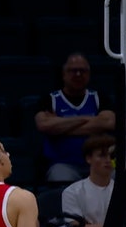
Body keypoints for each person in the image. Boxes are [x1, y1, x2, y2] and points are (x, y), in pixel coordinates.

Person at [36, 53, 116, 183]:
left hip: (99, 162)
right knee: (60, 178)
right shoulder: (49, 99)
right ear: (63, 74)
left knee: (116, 177)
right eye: (73, 71)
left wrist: (61, 126)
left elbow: (108, 122)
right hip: (63, 164)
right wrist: (91, 120)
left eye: (82, 71)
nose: (78, 74)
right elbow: (45, 125)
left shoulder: (100, 98)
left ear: (89, 74)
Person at [60, 134, 116, 227]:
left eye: (112, 156)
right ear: (89, 158)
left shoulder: (124, 191)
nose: (108, 160)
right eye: (102, 155)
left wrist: (91, 226)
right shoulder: (71, 192)